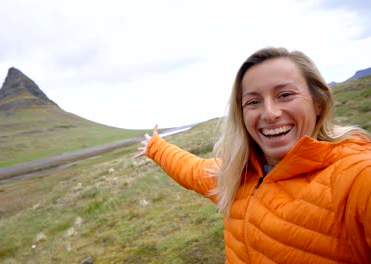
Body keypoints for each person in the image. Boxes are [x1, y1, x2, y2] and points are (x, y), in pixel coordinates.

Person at [135, 47, 371, 263]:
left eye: (285, 94)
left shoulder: (356, 177)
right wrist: (155, 147)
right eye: (253, 101)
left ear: (318, 103)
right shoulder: (236, 177)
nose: (270, 113)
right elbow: (190, 169)